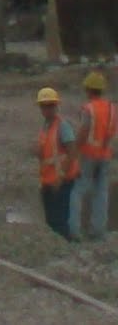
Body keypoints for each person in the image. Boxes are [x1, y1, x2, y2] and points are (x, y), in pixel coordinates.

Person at [70, 70, 116, 241]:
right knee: (101, 192)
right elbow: (111, 133)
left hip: (88, 154)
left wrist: (74, 151)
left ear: (89, 89)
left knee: (77, 190)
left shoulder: (89, 108)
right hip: (105, 155)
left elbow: (83, 131)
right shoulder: (112, 108)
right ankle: (98, 231)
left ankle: (73, 231)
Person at [36, 87, 79, 239]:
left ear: (56, 106)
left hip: (61, 180)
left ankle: (66, 244)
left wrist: (60, 177)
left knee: (60, 219)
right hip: (48, 180)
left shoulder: (63, 126)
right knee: (51, 219)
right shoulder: (45, 127)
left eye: (50, 105)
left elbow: (72, 151)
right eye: (44, 106)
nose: (47, 109)